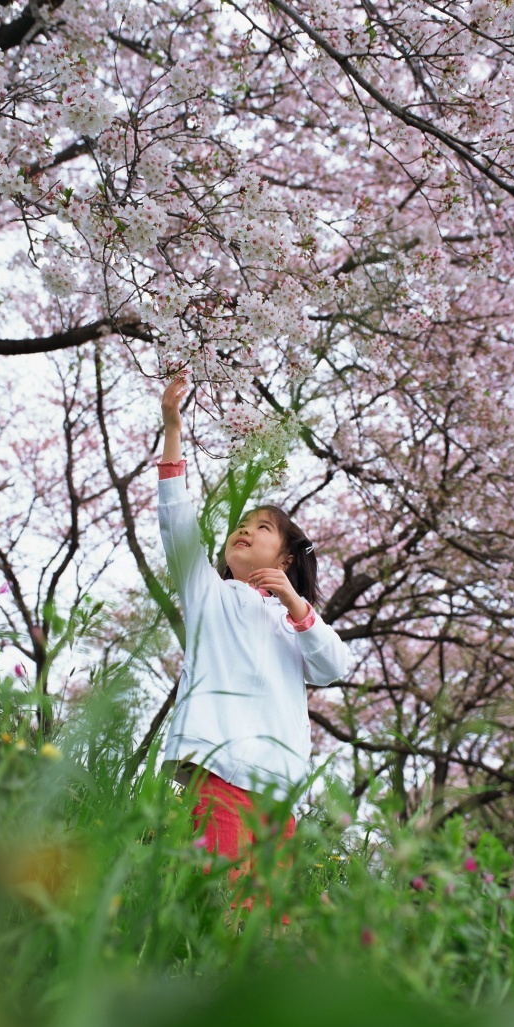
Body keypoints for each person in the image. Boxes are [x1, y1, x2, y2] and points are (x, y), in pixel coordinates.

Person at [156, 372, 350, 923]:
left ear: (286, 556)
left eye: (262, 527)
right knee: (225, 903)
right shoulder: (208, 594)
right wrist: (173, 429)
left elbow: (335, 666)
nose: (244, 530)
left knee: (269, 916)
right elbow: (175, 520)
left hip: (278, 781)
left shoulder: (296, 622)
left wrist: (295, 604)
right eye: (241, 525)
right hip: (220, 764)